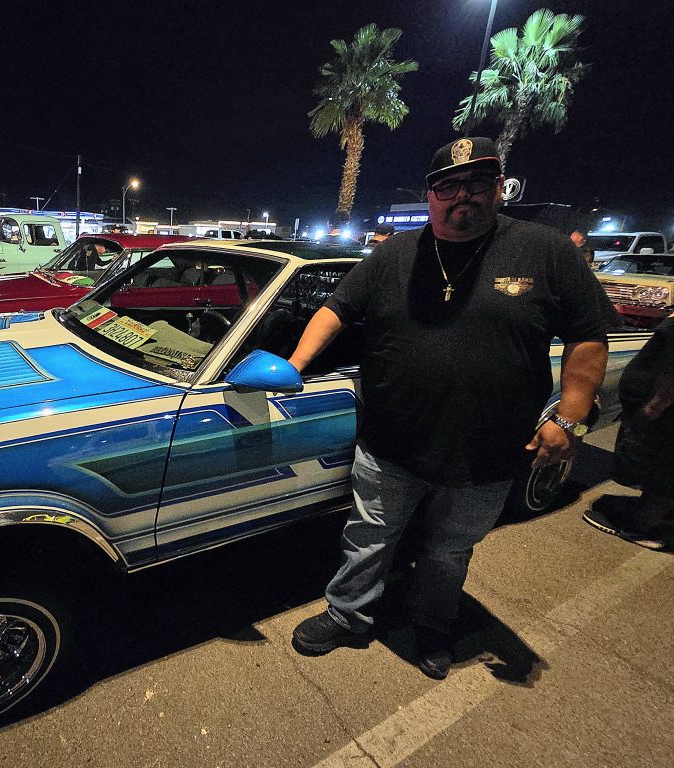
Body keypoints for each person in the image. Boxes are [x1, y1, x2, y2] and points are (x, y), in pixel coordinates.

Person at [288, 137, 609, 679]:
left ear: (499, 188)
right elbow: (336, 308)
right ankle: (347, 616)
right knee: (368, 537)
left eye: (477, 182)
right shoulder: (395, 253)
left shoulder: (545, 250)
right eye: (448, 186)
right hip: (391, 442)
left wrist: (568, 418)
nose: (463, 195)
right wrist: (295, 365)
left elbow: (587, 336)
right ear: (431, 195)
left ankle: (433, 625)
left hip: (487, 452)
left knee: (448, 551)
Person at [583, 315, 674, 549]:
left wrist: (654, 407)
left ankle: (644, 528)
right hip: (661, 410)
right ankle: (659, 513)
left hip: (662, 413)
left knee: (661, 469)